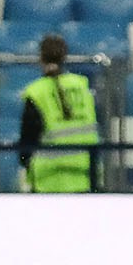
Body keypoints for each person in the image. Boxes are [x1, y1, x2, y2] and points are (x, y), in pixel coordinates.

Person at [17, 34, 100, 192]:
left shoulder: (36, 92)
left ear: (41, 57)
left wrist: (25, 164)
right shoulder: (82, 86)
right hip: (83, 178)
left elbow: (27, 141)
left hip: (47, 182)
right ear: (64, 56)